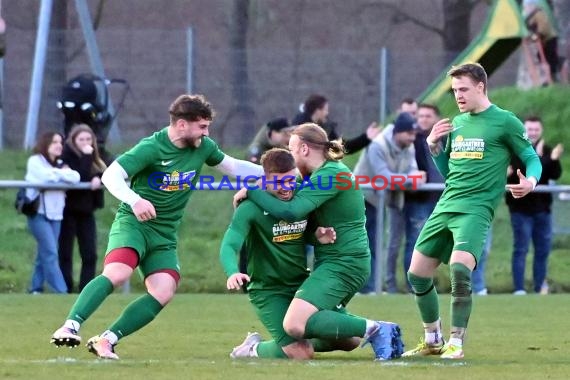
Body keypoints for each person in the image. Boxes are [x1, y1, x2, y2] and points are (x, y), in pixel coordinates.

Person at [50, 94, 265, 359]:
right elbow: (110, 175)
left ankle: (107, 340)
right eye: (202, 126)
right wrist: (135, 199)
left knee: (164, 291)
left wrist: (276, 173)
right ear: (182, 124)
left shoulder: (204, 147)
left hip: (164, 233)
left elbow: (233, 167)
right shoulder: (152, 147)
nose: (206, 133)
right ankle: (70, 326)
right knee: (117, 273)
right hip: (135, 225)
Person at [403, 63, 542, 360]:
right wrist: (433, 146)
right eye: (454, 91)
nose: (458, 96)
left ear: (481, 86)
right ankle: (433, 339)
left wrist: (530, 181)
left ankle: (456, 342)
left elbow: (531, 157)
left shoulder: (505, 121)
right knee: (416, 274)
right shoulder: (457, 123)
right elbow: (449, 171)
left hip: (476, 209)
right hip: (446, 204)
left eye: (463, 89)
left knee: (459, 269)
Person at [233, 123, 404, 361]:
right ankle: (375, 330)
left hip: (344, 263)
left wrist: (252, 192)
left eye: (291, 150)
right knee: (348, 340)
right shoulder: (322, 174)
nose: (289, 158)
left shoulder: (330, 174)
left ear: (303, 149)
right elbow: (289, 196)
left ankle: (375, 329)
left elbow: (292, 211)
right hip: (338, 262)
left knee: (294, 324)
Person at [221, 148, 357, 359]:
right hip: (269, 291)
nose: (287, 188)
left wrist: (317, 235)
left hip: (301, 285)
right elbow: (230, 244)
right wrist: (232, 272)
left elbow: (305, 231)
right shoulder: (250, 208)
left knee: (351, 340)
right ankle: (252, 349)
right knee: (301, 354)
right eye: (279, 183)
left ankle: (294, 343)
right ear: (265, 180)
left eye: (290, 180)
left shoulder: (300, 194)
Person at [353, 112, 426, 294]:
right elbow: (384, 177)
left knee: (376, 244)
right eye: (409, 133)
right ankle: (365, 287)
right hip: (362, 197)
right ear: (398, 132)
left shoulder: (408, 147)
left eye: (414, 134)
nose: (412, 138)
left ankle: (372, 288)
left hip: (382, 199)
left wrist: (411, 178)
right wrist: (412, 180)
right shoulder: (377, 145)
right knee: (364, 245)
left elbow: (412, 171)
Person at [506, 115, 563, 295]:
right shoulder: (515, 148)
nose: (533, 133)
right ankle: (519, 289)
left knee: (543, 250)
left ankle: (539, 287)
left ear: (541, 130)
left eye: (536, 129)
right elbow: (518, 173)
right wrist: (540, 158)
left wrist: (551, 160)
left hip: (543, 209)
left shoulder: (546, 149)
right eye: (529, 129)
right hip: (520, 209)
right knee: (521, 249)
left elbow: (554, 174)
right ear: (523, 130)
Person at [25, 132, 80, 294]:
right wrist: (63, 174)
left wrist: (59, 174)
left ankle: (35, 289)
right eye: (54, 142)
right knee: (50, 252)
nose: (58, 145)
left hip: (56, 214)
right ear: (45, 143)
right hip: (38, 214)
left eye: (60, 142)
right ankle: (61, 291)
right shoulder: (35, 161)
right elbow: (44, 177)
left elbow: (75, 177)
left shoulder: (61, 162)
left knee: (44, 253)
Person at [58, 124, 106, 293]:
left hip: (86, 212)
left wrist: (98, 177)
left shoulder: (97, 156)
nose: (86, 143)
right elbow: (79, 176)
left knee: (90, 254)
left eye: (88, 139)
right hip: (68, 211)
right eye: (81, 139)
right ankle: (65, 288)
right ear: (73, 141)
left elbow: (109, 171)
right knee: (65, 252)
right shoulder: (66, 157)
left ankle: (86, 289)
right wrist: (86, 157)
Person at [291, 94, 380, 154]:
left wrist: (365, 138)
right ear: (318, 111)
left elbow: (340, 148)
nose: (327, 113)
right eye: (326, 110)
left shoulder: (324, 127)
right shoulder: (300, 127)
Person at [523, 0, 560, 81]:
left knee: (550, 58)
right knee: (541, 57)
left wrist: (537, 35)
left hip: (550, 38)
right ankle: (548, 77)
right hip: (543, 40)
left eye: (527, 6)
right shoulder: (530, 17)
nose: (526, 8)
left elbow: (543, 27)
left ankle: (554, 77)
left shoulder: (538, 13)